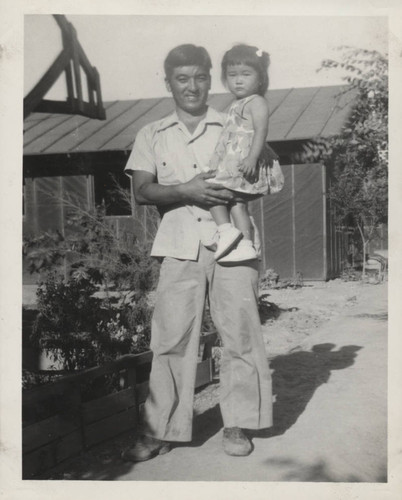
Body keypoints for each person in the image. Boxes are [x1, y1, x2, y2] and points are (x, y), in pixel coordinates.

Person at [121, 44, 273, 462]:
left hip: (234, 245)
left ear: (212, 79)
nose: (192, 86)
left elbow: (259, 178)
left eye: (200, 77)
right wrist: (187, 189)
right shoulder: (151, 133)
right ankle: (159, 429)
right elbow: (142, 191)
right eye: (182, 78)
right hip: (179, 246)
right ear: (167, 81)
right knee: (170, 339)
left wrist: (239, 183)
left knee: (240, 335)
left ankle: (238, 423)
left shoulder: (236, 120)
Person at [206, 44, 282, 262]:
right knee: (237, 203)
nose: (238, 80)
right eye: (232, 75)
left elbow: (260, 131)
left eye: (246, 74)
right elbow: (227, 136)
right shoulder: (235, 104)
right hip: (231, 160)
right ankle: (246, 244)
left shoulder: (257, 102)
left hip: (243, 160)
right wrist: (214, 160)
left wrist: (252, 157)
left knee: (213, 192)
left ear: (260, 79)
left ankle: (225, 231)